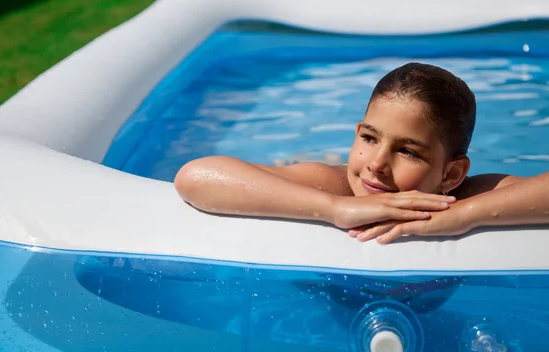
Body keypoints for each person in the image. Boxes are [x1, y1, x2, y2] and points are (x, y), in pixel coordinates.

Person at [174, 62, 549, 244]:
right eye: (370, 139)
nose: (376, 165)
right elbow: (195, 176)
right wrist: (334, 209)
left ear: (451, 175)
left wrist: (466, 215)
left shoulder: (463, 196)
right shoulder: (333, 187)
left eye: (407, 151)